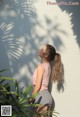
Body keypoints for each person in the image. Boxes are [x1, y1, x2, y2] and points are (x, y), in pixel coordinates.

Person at [31, 44, 64, 117]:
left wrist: (31, 98)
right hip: (45, 96)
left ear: (45, 55)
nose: (40, 49)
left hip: (42, 96)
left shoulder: (41, 67)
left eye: (42, 49)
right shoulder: (48, 65)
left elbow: (38, 86)